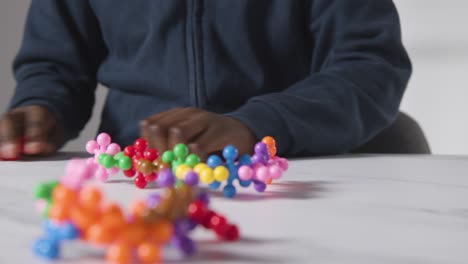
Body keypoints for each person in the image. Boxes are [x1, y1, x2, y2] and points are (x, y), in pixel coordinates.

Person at [0, 0, 412, 160]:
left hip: (293, 170)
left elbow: (371, 67)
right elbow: (54, 65)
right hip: (133, 178)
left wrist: (256, 125)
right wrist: (41, 106)